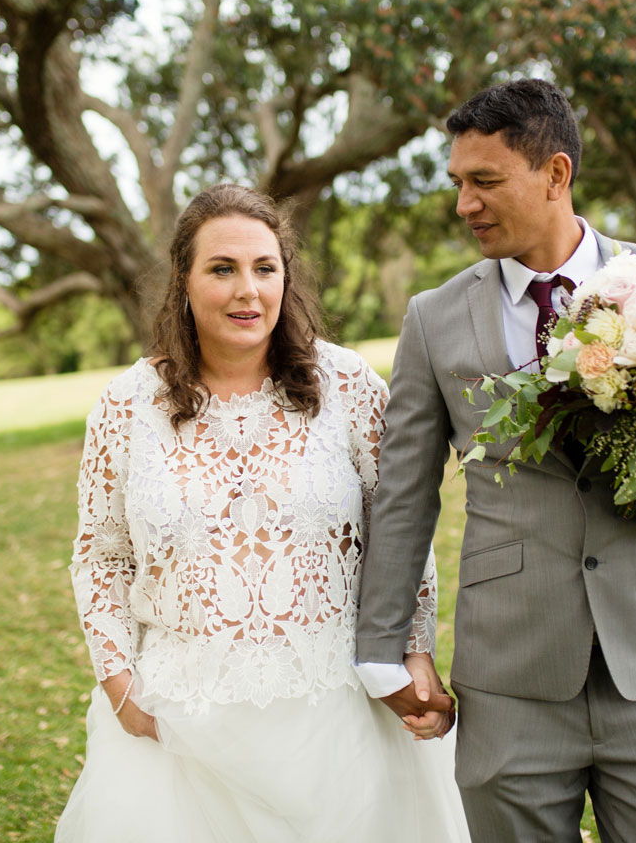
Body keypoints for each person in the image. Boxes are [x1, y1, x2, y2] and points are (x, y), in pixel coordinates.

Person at [355, 78, 636, 843]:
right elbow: (405, 496)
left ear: (556, 174)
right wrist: (385, 652)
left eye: (485, 182)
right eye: (458, 184)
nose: (464, 205)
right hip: (509, 674)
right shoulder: (433, 319)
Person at [55, 184, 469, 842]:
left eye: (264, 268)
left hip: (336, 714)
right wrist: (119, 685)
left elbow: (400, 534)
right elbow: (102, 556)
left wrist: (414, 650)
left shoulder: (350, 387)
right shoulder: (125, 407)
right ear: (183, 283)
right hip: (179, 725)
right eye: (222, 269)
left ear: (285, 277)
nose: (247, 289)